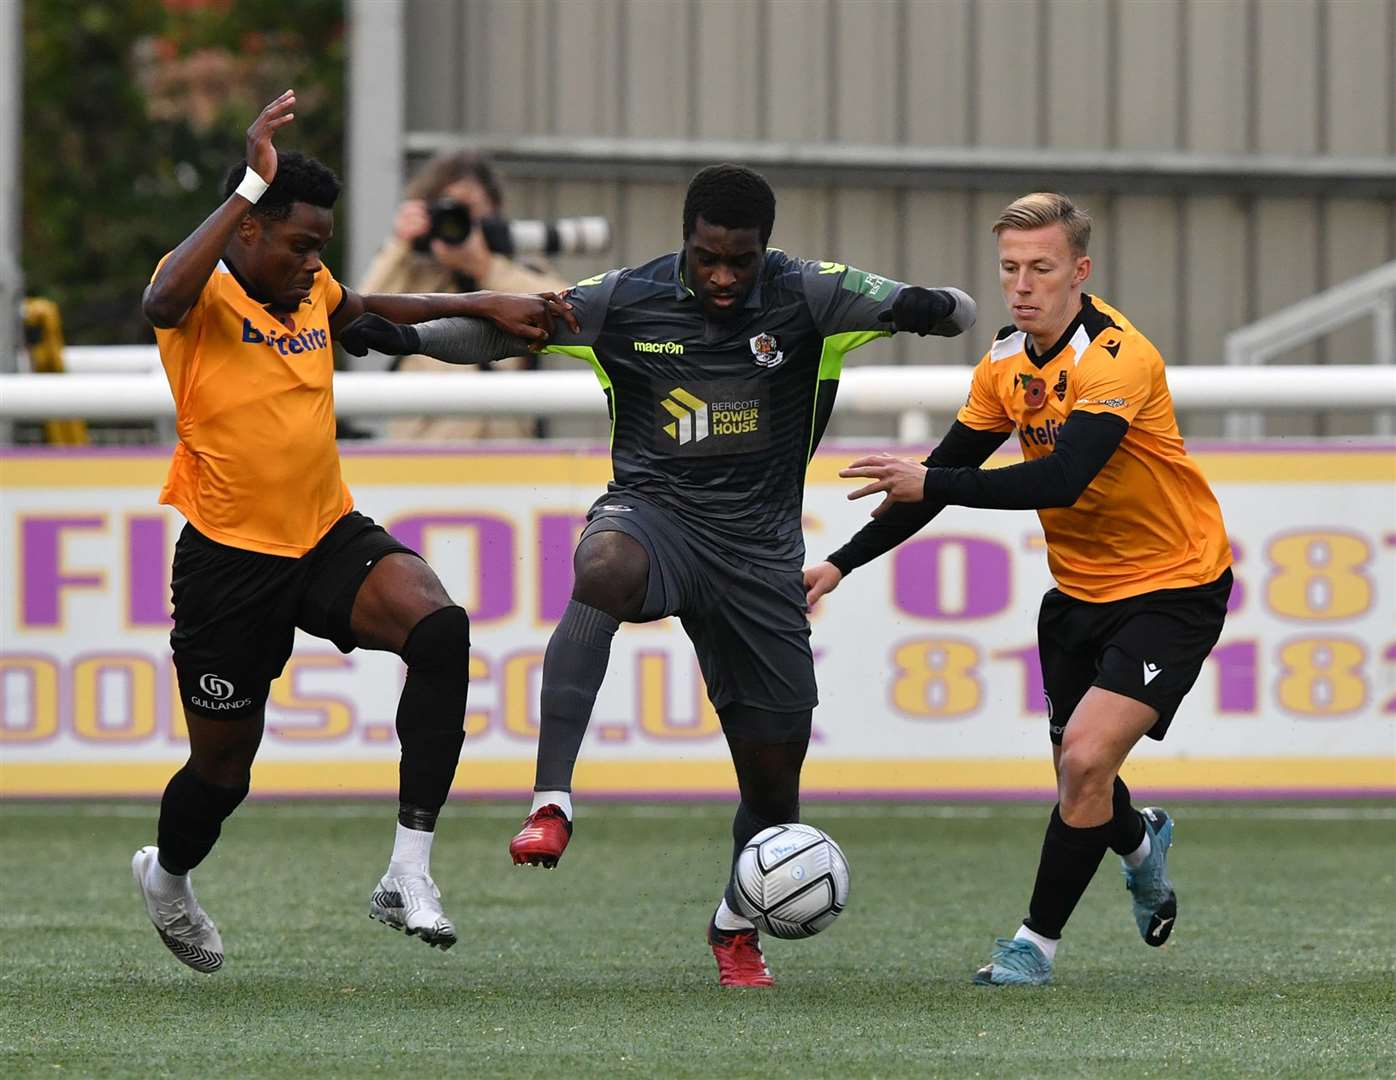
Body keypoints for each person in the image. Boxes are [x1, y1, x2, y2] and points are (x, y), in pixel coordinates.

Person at [344, 163, 977, 987]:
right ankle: (551, 802)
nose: (721, 276)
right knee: (602, 565)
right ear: (686, 241)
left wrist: (929, 306)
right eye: (706, 257)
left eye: (738, 261)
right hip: (656, 519)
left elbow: (960, 312)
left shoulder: (814, 296)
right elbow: (510, 332)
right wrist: (409, 337)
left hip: (759, 557)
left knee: (774, 785)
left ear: (763, 250)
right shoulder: (625, 298)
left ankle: (734, 925)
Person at [132, 89, 574, 974]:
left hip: (325, 534)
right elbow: (157, 297)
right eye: (300, 244)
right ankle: (169, 876)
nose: (312, 265)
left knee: (439, 627)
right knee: (222, 775)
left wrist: (489, 301)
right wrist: (246, 189)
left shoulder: (307, 290)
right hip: (228, 564)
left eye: (319, 249)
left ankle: (407, 868)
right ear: (249, 229)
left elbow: (374, 305)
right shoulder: (205, 295)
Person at [805, 192, 1233, 986]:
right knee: (1084, 777)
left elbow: (1066, 479)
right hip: (1076, 596)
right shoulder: (1005, 363)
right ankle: (1140, 844)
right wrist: (839, 563)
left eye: (1041, 268)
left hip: (1174, 585)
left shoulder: (1117, 357)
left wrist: (933, 478)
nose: (1023, 285)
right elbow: (932, 483)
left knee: (1081, 759)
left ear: (1080, 271)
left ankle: (1033, 947)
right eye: (1010, 269)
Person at [358, 151, 569, 440]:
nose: (457, 221)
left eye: (469, 210)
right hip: (423, 452)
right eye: (448, 209)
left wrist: (485, 267)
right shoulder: (413, 273)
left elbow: (567, 309)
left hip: (508, 455)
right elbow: (356, 317)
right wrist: (399, 245)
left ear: (494, 210)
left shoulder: (517, 271)